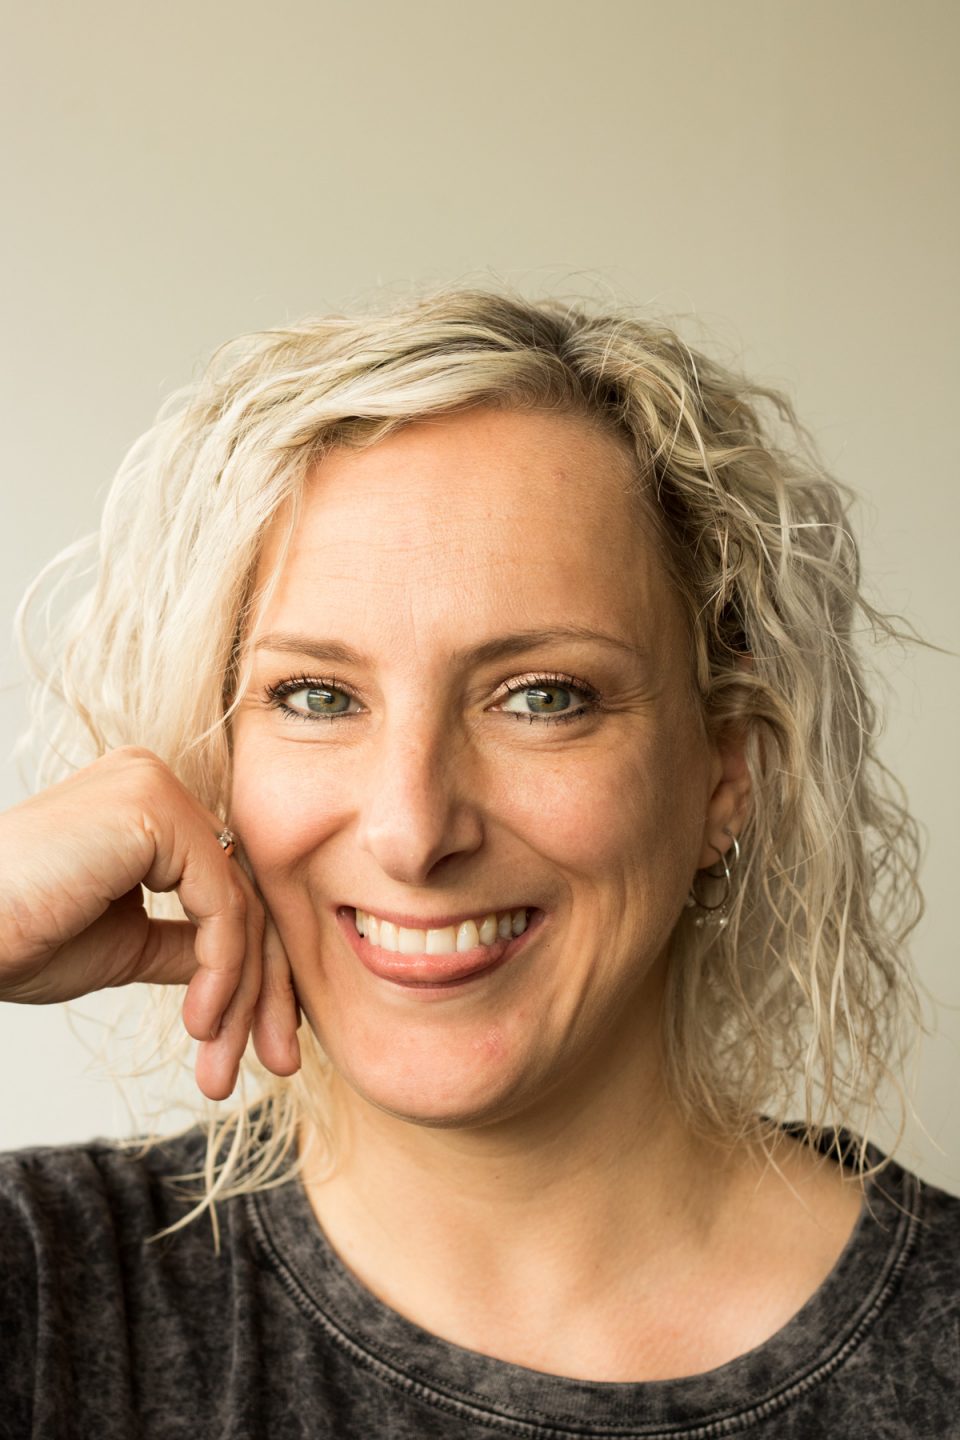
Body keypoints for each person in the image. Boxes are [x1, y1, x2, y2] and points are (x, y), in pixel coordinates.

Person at [0, 289, 956, 1439]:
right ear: (220, 766)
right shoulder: (42, 1286)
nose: (413, 832)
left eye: (541, 697)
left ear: (723, 773)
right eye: (318, 697)